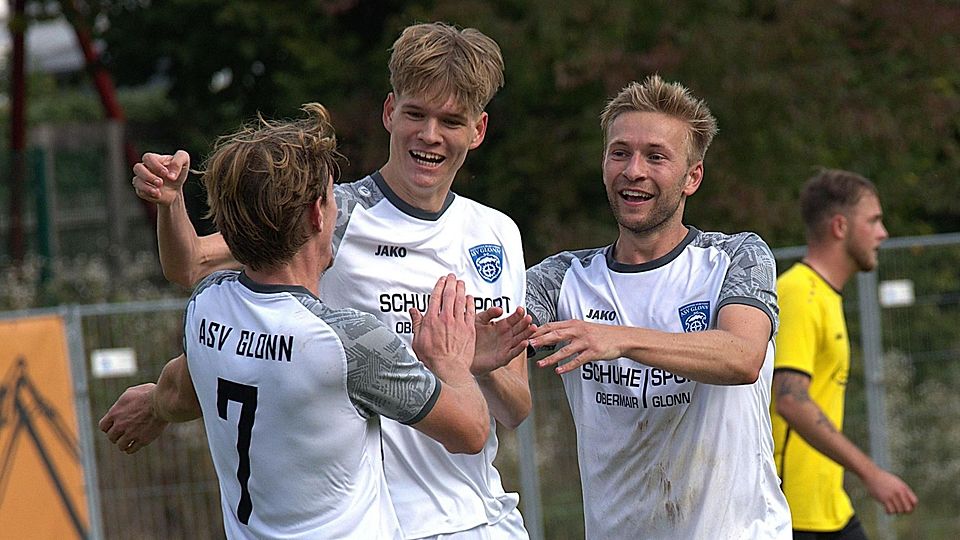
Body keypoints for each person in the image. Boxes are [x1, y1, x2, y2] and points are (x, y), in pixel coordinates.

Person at [126, 22, 531, 540]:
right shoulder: (334, 212)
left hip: (475, 516)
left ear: (477, 130)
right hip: (375, 521)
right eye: (416, 114)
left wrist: (472, 363)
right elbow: (190, 267)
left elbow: (515, 409)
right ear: (390, 112)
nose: (430, 135)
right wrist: (170, 203)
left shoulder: (496, 232)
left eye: (450, 120)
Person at [524, 75, 792, 539]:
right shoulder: (561, 279)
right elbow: (486, 339)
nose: (633, 170)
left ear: (693, 177)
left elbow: (742, 356)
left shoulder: (736, 257)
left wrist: (621, 339)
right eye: (620, 152)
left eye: (656, 156)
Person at [770, 169, 917, 538]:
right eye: (873, 221)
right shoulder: (798, 294)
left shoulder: (824, 295)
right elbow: (790, 400)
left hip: (829, 507)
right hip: (792, 513)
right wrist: (872, 473)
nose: (883, 233)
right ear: (840, 227)